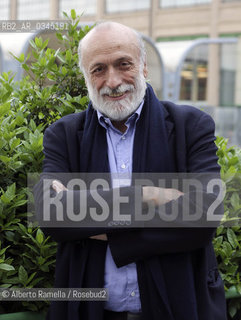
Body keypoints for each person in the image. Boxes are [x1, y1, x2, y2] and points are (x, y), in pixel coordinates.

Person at [34, 22, 227, 320]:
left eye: (123, 64)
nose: (112, 81)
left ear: (144, 67)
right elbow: (50, 214)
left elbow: (204, 215)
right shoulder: (63, 135)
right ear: (86, 76)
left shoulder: (191, 126)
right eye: (98, 69)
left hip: (178, 308)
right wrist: (148, 194)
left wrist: (99, 225)